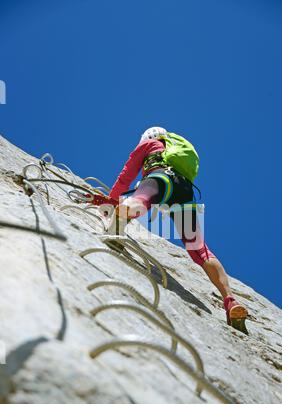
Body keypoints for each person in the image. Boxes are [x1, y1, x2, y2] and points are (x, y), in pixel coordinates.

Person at [92, 127, 248, 334]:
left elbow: (125, 176)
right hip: (184, 190)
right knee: (199, 250)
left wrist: (111, 201)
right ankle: (230, 301)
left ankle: (121, 218)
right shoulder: (177, 150)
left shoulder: (148, 145)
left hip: (161, 177)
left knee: (143, 198)